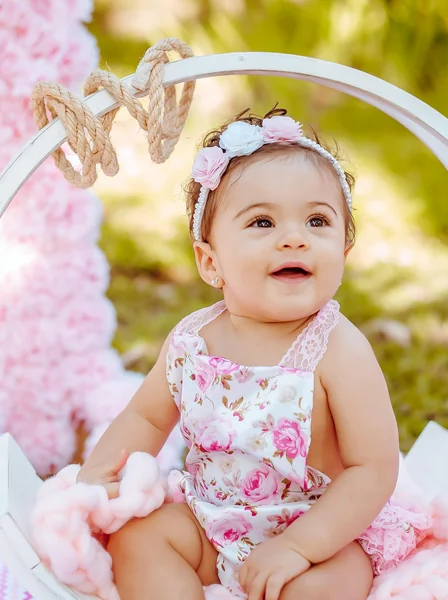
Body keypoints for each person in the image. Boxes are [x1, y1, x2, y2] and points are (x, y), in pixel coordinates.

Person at [78, 106, 428, 600]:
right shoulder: (192, 341)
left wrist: (299, 548)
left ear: (343, 255)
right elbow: (146, 418)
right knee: (137, 539)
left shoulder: (338, 350)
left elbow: (373, 470)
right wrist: (99, 472)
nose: (294, 237)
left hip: (316, 528)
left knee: (334, 580)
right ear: (210, 262)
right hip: (208, 520)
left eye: (317, 220)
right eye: (263, 222)